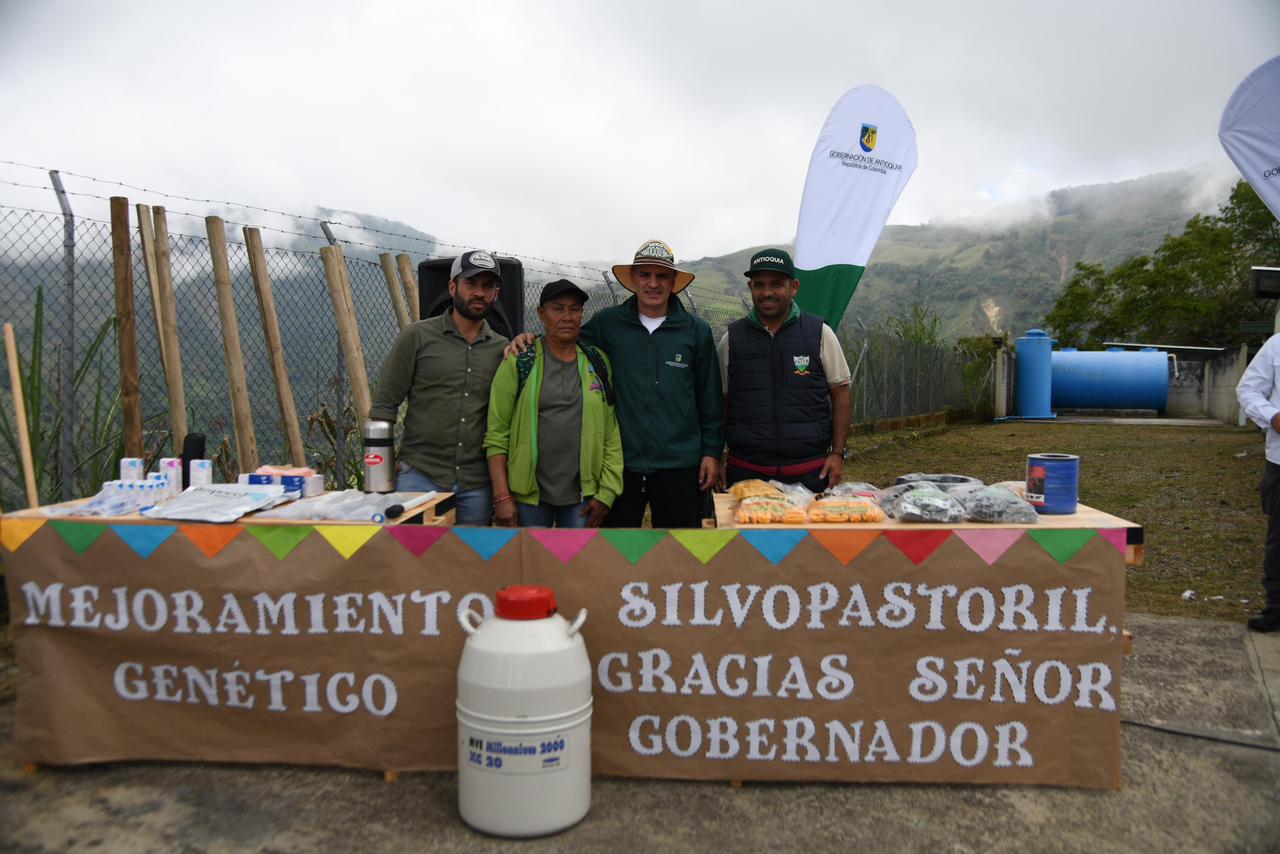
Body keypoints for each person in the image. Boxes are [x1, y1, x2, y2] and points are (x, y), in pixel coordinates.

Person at [507, 239, 723, 527]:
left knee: (678, 555)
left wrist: (711, 452)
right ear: (633, 280)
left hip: (680, 465)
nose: (653, 284)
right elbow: (564, 337)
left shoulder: (697, 331)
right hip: (623, 465)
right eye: (645, 275)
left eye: (662, 276)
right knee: (617, 556)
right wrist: (529, 338)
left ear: (673, 282)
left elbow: (709, 398)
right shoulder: (608, 323)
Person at [368, 249, 508, 525]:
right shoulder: (416, 337)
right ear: (453, 287)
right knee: (412, 561)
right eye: (471, 284)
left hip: (476, 484)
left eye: (487, 286)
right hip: (419, 475)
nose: (478, 292)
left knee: (469, 562)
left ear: (496, 294)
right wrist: (379, 473)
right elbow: (384, 405)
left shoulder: (503, 349)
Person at [484, 279, 623, 528]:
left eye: (575, 309)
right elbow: (497, 434)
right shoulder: (520, 360)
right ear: (541, 313)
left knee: (577, 564)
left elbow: (611, 432)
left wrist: (607, 492)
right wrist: (502, 496)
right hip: (529, 497)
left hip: (583, 497)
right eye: (558, 308)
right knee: (531, 565)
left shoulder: (597, 362)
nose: (567, 316)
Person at [718, 248, 852, 494]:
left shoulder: (820, 333)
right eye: (759, 285)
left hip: (809, 472)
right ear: (750, 287)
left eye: (777, 284)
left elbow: (840, 393)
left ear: (794, 287)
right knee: (747, 534)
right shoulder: (732, 339)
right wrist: (716, 456)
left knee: (807, 535)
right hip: (746, 472)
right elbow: (722, 403)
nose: (767, 293)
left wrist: (837, 453)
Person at [1236, 334, 1280, 632]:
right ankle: (1276, 608)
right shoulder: (1277, 346)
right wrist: (1272, 416)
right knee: (1279, 540)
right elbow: (1248, 389)